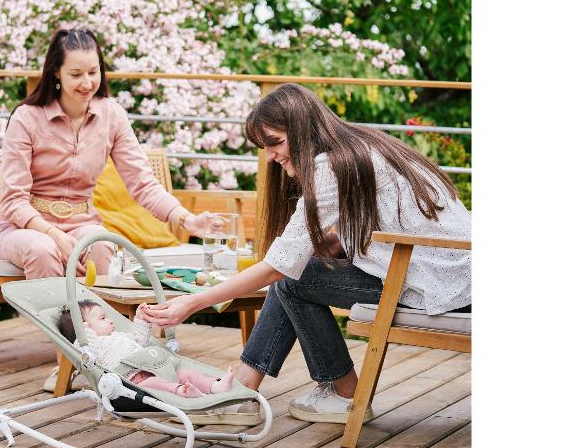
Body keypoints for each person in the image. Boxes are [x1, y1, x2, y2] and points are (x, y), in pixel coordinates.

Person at [143, 83, 471, 425]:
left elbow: (278, 269)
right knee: (297, 272)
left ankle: (338, 394)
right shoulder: (359, 147)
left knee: (292, 280)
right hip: (446, 275)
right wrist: (300, 253)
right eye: (264, 147)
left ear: (301, 129)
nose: (269, 155)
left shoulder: (331, 167)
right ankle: (245, 389)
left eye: (275, 142)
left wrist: (191, 304)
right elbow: (367, 231)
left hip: (440, 288)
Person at [0, 27, 217, 391]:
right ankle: (65, 362)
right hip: (23, 227)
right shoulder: (27, 118)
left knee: (101, 247)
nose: (87, 82)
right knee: (44, 250)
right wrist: (53, 234)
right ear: (56, 74)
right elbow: (13, 200)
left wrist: (186, 219)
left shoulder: (111, 115)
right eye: (76, 74)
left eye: (93, 72)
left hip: (82, 221)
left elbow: (141, 182)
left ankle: (114, 358)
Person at [59, 301, 235, 398]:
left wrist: (141, 319)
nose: (110, 321)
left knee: (185, 373)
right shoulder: (92, 347)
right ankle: (182, 391)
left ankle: (215, 386)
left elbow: (139, 340)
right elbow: (84, 343)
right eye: (103, 318)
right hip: (134, 380)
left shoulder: (119, 336)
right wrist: (83, 331)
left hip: (155, 367)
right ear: (85, 327)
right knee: (153, 385)